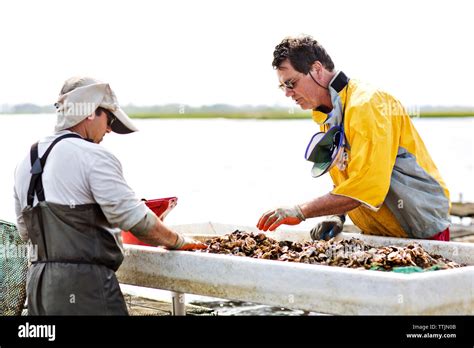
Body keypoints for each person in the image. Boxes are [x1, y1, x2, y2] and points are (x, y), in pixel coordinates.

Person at [13, 76, 206, 315]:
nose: (109, 130)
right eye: (110, 120)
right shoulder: (93, 156)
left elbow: (24, 232)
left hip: (39, 289)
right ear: (91, 111)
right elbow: (138, 222)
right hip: (87, 289)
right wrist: (179, 241)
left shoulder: (27, 162)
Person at [257, 36, 451, 242]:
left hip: (421, 227)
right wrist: (336, 215)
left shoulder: (367, 104)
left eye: (291, 83)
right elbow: (349, 176)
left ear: (316, 69)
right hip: (381, 231)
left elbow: (366, 186)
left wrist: (299, 211)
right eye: (283, 87)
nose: (288, 93)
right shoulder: (328, 115)